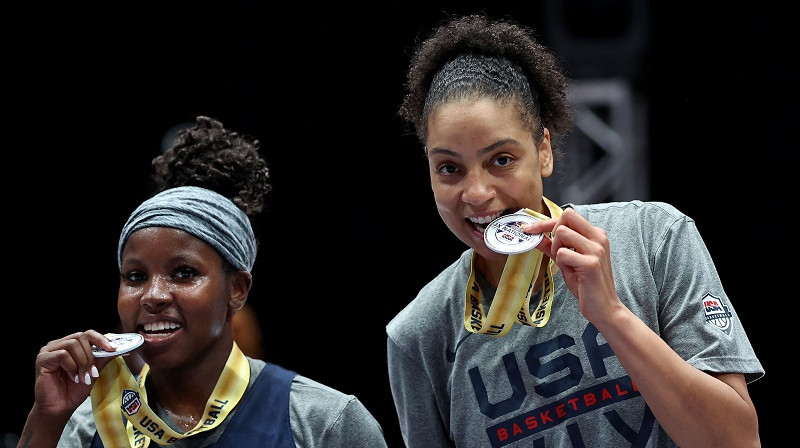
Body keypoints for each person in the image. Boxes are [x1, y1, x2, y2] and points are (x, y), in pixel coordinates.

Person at [386, 14, 763, 448]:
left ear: (543, 151)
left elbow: (737, 442)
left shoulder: (652, 236)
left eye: (501, 160)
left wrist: (613, 316)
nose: (476, 193)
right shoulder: (417, 335)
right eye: (449, 168)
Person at [18, 116, 389, 447]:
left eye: (184, 273)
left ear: (237, 289)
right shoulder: (88, 426)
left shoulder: (324, 423)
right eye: (135, 276)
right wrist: (48, 418)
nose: (154, 295)